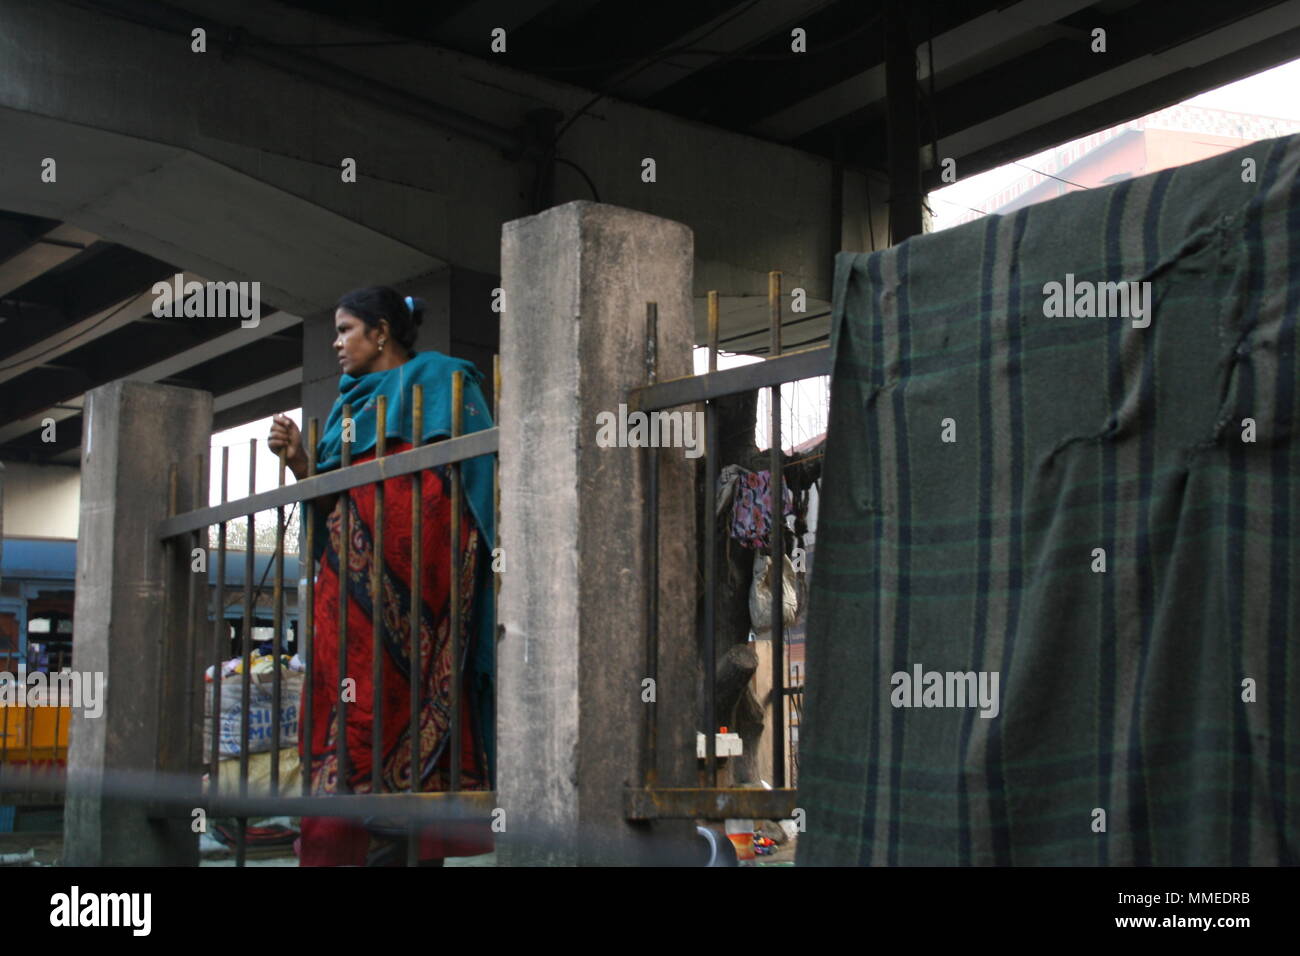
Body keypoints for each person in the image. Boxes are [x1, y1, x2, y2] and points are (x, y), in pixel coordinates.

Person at [267, 285, 496, 866]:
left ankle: (411, 844)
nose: (338, 345)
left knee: (415, 712)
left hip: (429, 600)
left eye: (345, 330)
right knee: (348, 718)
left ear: (381, 332)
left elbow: (476, 491)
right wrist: (301, 461)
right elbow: (332, 511)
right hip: (347, 602)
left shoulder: (447, 382)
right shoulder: (347, 409)